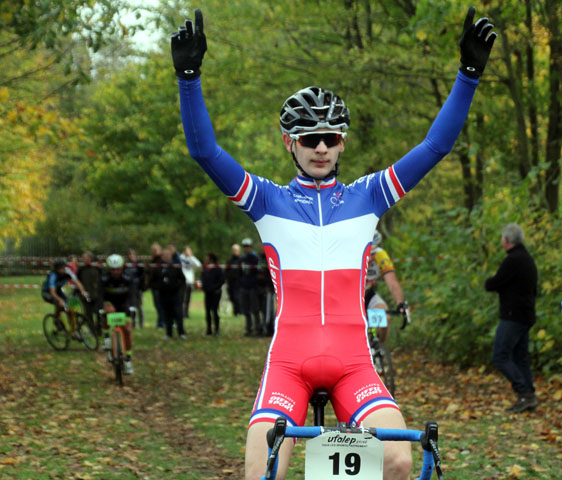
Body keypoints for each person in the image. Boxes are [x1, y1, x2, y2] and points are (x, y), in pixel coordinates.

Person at [172, 7, 495, 479]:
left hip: (353, 364)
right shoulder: (265, 200)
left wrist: (467, 75)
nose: (320, 148)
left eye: (329, 138)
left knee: (400, 459)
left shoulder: (369, 194)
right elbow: (204, 151)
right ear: (290, 143)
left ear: (342, 142)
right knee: (263, 472)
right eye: (309, 139)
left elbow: (434, 148)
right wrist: (188, 78)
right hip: (289, 363)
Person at [484, 223, 538, 413]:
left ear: (506, 240)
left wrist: (490, 280)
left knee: (500, 356)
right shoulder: (528, 259)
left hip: (512, 315)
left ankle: (523, 391)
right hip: (526, 315)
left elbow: (493, 283)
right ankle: (528, 395)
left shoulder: (513, 260)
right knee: (520, 357)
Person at [364, 230, 408, 343]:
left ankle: (379, 353)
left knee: (386, 318)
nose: (371, 258)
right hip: (349, 297)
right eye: (368, 254)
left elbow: (392, 282)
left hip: (368, 295)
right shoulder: (350, 256)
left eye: (373, 253)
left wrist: (401, 303)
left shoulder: (381, 255)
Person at [98, 254, 135, 374]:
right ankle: (107, 338)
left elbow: (133, 295)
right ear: (109, 269)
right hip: (110, 304)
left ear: (122, 268)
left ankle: (128, 360)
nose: (116, 272)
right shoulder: (104, 279)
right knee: (105, 313)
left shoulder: (128, 279)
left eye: (118, 269)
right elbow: (99, 296)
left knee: (127, 331)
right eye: (113, 269)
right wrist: (104, 304)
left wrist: (132, 307)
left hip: (124, 306)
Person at [41, 259, 90, 336]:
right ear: (57, 269)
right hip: (48, 293)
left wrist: (83, 291)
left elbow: (77, 282)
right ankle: (56, 319)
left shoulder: (67, 271)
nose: (64, 270)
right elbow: (52, 292)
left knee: (69, 310)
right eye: (62, 268)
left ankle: (73, 331)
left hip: (58, 291)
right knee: (60, 304)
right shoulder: (53, 276)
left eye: (64, 267)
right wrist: (59, 300)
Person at [156, 247, 187, 339]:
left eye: (167, 255)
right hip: (163, 294)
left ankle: (181, 332)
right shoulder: (158, 267)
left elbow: (182, 279)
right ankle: (169, 333)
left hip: (175, 294)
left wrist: (177, 287)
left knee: (178, 313)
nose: (165, 257)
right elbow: (153, 280)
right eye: (163, 255)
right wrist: (159, 286)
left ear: (170, 256)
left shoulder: (175, 266)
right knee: (167, 314)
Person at [239, 237, 262, 336]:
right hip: (244, 287)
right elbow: (240, 273)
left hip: (253, 288)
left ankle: (258, 328)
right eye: (244, 247)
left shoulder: (255, 258)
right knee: (246, 310)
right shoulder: (242, 259)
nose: (246, 248)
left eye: (248, 246)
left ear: (251, 247)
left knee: (255, 309)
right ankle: (249, 328)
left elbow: (258, 273)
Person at [201, 252, 225, 336]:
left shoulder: (217, 268)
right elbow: (203, 279)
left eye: (207, 258)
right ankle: (209, 329)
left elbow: (221, 280)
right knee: (207, 311)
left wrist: (214, 287)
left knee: (214, 311)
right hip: (207, 293)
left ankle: (217, 330)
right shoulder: (205, 268)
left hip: (215, 293)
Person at [77, 251, 101, 333]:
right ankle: (92, 330)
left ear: (90, 258)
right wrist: (81, 291)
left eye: (85, 257)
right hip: (85, 295)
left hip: (96, 294)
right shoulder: (81, 269)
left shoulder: (97, 268)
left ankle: (99, 329)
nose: (83, 259)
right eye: (83, 258)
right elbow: (78, 281)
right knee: (88, 313)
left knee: (99, 312)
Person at [147, 243, 166, 329]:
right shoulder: (153, 260)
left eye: (155, 250)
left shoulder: (161, 260)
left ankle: (162, 322)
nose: (154, 252)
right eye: (153, 250)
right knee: (157, 305)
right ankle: (160, 322)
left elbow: (158, 273)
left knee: (160, 305)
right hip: (154, 286)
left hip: (159, 286)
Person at [179, 245, 202, 318]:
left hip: (190, 282)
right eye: (187, 251)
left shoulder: (191, 259)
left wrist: (191, 257)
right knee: (183, 298)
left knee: (188, 299)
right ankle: (181, 313)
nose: (188, 252)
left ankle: (186, 313)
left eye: (189, 251)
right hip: (184, 282)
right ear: (184, 251)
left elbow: (198, 264)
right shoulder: (181, 258)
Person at [125, 248, 146, 328]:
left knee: (139, 306)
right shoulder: (126, 264)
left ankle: (141, 323)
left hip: (138, 288)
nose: (131, 256)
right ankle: (133, 323)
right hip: (129, 289)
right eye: (129, 255)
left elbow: (143, 276)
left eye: (132, 254)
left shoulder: (139, 264)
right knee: (131, 306)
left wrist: (142, 287)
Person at [225, 243, 243, 317]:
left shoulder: (241, 260)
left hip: (238, 282)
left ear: (239, 251)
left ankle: (239, 311)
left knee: (237, 297)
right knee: (232, 297)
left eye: (236, 250)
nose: (234, 251)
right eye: (233, 250)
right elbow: (226, 271)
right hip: (230, 282)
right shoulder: (229, 260)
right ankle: (235, 311)